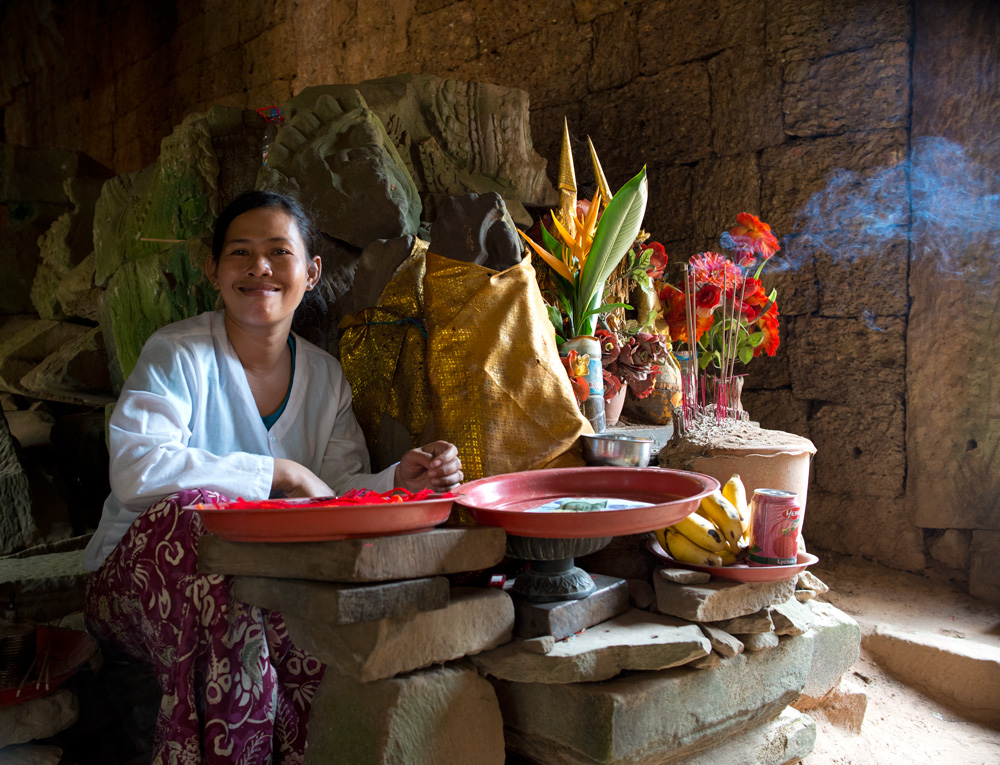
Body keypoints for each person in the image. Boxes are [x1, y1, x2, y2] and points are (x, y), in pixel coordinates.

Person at [83, 190, 463, 764]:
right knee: (200, 521)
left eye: (278, 252)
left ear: (310, 273)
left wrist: (398, 480)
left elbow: (334, 492)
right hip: (136, 585)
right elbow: (137, 470)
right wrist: (278, 473)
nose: (259, 267)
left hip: (251, 590)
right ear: (213, 269)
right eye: (240, 252)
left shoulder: (326, 377)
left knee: (278, 585)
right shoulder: (177, 354)